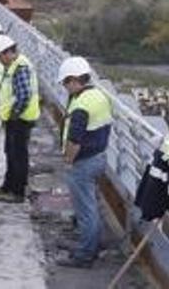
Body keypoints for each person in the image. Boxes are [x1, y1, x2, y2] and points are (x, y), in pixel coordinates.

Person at [56, 56, 112, 268]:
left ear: (74, 80)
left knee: (85, 211)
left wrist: (69, 161)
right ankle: (92, 244)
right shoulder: (99, 95)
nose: (64, 87)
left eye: (65, 83)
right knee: (92, 207)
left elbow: (75, 140)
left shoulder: (81, 105)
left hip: (84, 163)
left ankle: (85, 255)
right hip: (99, 157)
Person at [0, 35, 40, 203]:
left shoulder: (20, 67)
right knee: (11, 153)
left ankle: (17, 192)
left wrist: (14, 114)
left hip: (20, 119)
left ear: (8, 53)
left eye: (0, 56)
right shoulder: (13, 66)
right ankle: (7, 186)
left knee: (18, 156)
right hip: (14, 119)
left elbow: (24, 94)